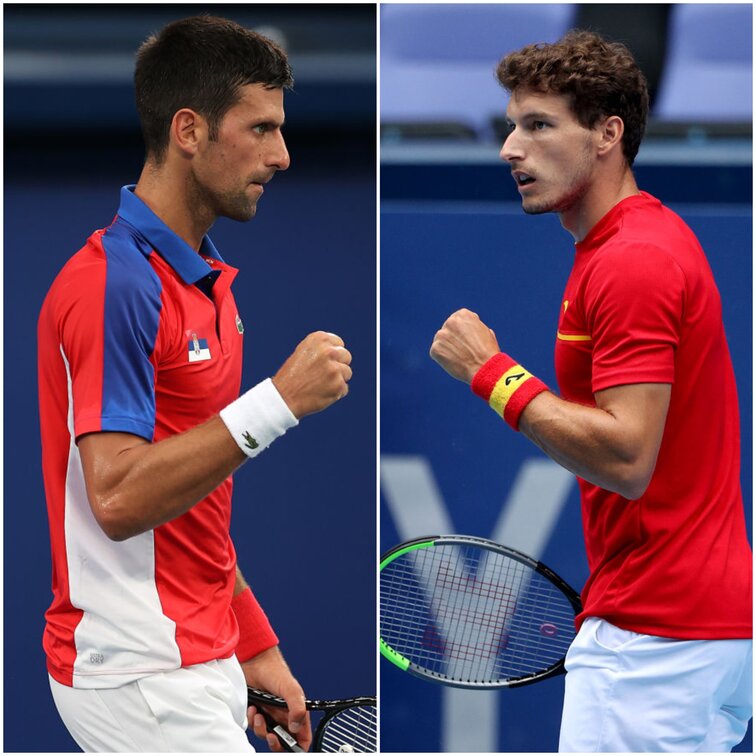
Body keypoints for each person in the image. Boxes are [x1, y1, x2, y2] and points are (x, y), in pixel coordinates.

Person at [37, 15, 353, 753]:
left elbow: (190, 505)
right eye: (261, 128)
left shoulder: (206, 285)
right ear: (189, 130)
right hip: (142, 676)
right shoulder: (114, 286)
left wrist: (252, 643)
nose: (282, 154)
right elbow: (116, 498)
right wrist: (276, 403)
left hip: (194, 658)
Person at [430, 30, 752, 753]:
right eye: (512, 125)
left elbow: (628, 457)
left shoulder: (632, 262)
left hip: (657, 639)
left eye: (539, 125)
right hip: (699, 631)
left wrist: (493, 375)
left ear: (608, 135)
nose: (511, 147)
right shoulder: (629, 246)